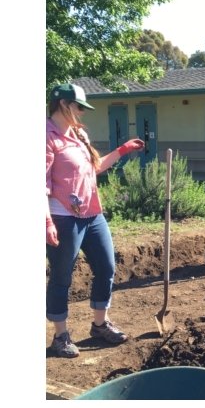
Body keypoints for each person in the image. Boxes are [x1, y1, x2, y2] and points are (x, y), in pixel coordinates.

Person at [46, 83, 145, 358]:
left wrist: (123, 149)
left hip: (92, 214)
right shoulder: (46, 136)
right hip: (63, 217)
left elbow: (96, 166)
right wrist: (46, 222)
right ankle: (60, 336)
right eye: (79, 107)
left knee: (106, 267)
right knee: (62, 277)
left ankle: (99, 325)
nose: (82, 113)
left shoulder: (78, 135)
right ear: (64, 105)